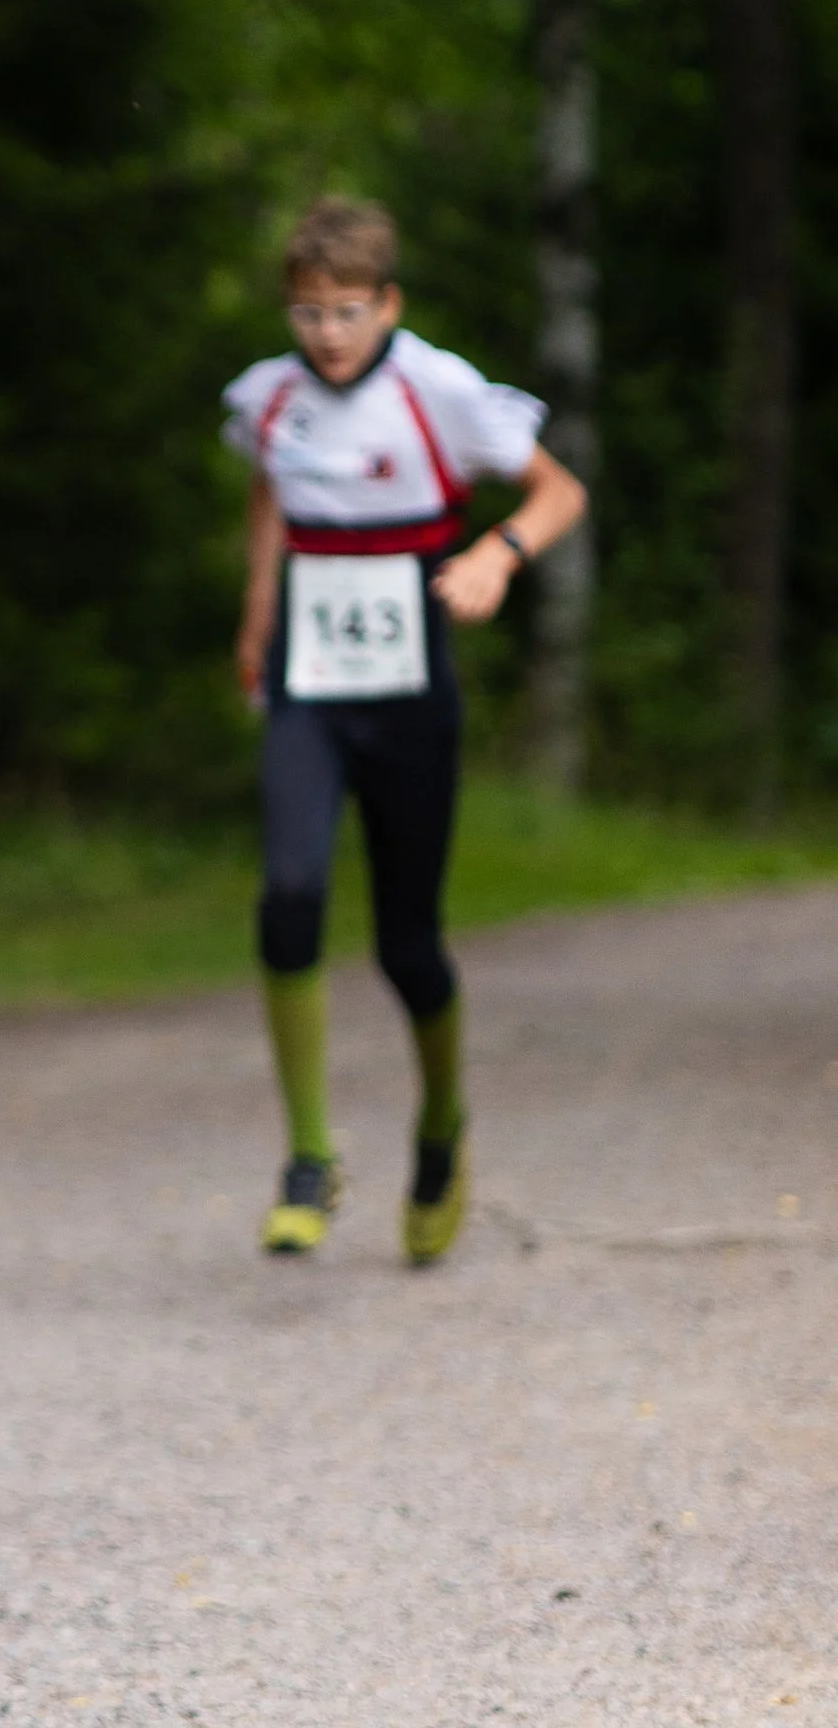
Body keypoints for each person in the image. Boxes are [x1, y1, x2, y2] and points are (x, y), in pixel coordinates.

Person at [222, 197, 586, 1265]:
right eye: (305, 312)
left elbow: (560, 488)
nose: (325, 332)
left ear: (388, 304)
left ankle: (440, 1127)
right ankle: (307, 1155)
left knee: (405, 945)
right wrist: (254, 617)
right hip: (306, 684)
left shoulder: (440, 392)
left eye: (344, 311)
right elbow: (267, 498)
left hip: (410, 692)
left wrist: (495, 554)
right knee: (288, 896)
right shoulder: (271, 398)